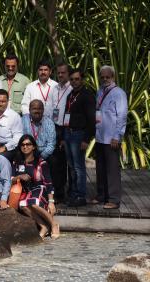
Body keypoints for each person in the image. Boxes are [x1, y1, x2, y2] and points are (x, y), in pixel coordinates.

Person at [93, 65, 128, 209]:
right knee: (100, 168)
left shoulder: (119, 93)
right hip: (100, 136)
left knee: (112, 170)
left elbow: (122, 116)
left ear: (113, 77)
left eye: (108, 77)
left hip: (111, 138)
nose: (105, 79)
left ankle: (114, 199)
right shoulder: (100, 91)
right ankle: (102, 195)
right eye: (102, 77)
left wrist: (117, 136)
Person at [12, 134, 59, 239]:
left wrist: (51, 202)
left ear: (33, 147)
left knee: (33, 203)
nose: (25, 147)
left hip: (40, 189)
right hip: (25, 191)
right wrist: (19, 176)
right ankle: (43, 226)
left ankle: (53, 224)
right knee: (23, 205)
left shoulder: (41, 162)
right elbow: (11, 179)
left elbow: (48, 183)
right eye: (22, 145)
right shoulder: (16, 162)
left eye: (28, 144)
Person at [63, 69, 95, 207]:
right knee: (71, 166)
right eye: (72, 79)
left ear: (82, 79)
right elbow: (66, 114)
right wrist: (64, 136)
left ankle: (81, 196)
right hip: (68, 133)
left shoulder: (87, 96)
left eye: (77, 79)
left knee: (79, 167)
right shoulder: (70, 95)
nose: (74, 82)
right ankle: (73, 193)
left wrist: (86, 139)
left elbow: (92, 119)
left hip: (79, 135)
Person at [48, 63, 72, 203]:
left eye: (63, 73)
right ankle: (58, 191)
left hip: (66, 127)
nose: (61, 75)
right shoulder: (55, 88)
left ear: (68, 73)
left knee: (67, 163)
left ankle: (66, 192)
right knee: (56, 162)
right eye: (59, 73)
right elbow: (51, 108)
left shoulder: (71, 89)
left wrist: (64, 134)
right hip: (54, 127)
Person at [0, 89, 23, 161]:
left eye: (3, 101)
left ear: (7, 102)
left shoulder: (14, 116)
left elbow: (18, 137)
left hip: (6, 147)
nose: (0, 104)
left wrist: (4, 148)